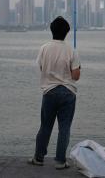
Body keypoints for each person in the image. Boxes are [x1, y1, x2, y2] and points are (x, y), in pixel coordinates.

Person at [29, 16, 81, 170]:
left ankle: (38, 158)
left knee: (45, 126)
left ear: (51, 30)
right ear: (67, 32)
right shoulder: (71, 50)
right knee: (64, 128)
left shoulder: (44, 48)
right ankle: (60, 161)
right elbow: (76, 76)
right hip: (68, 93)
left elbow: (40, 67)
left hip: (49, 91)